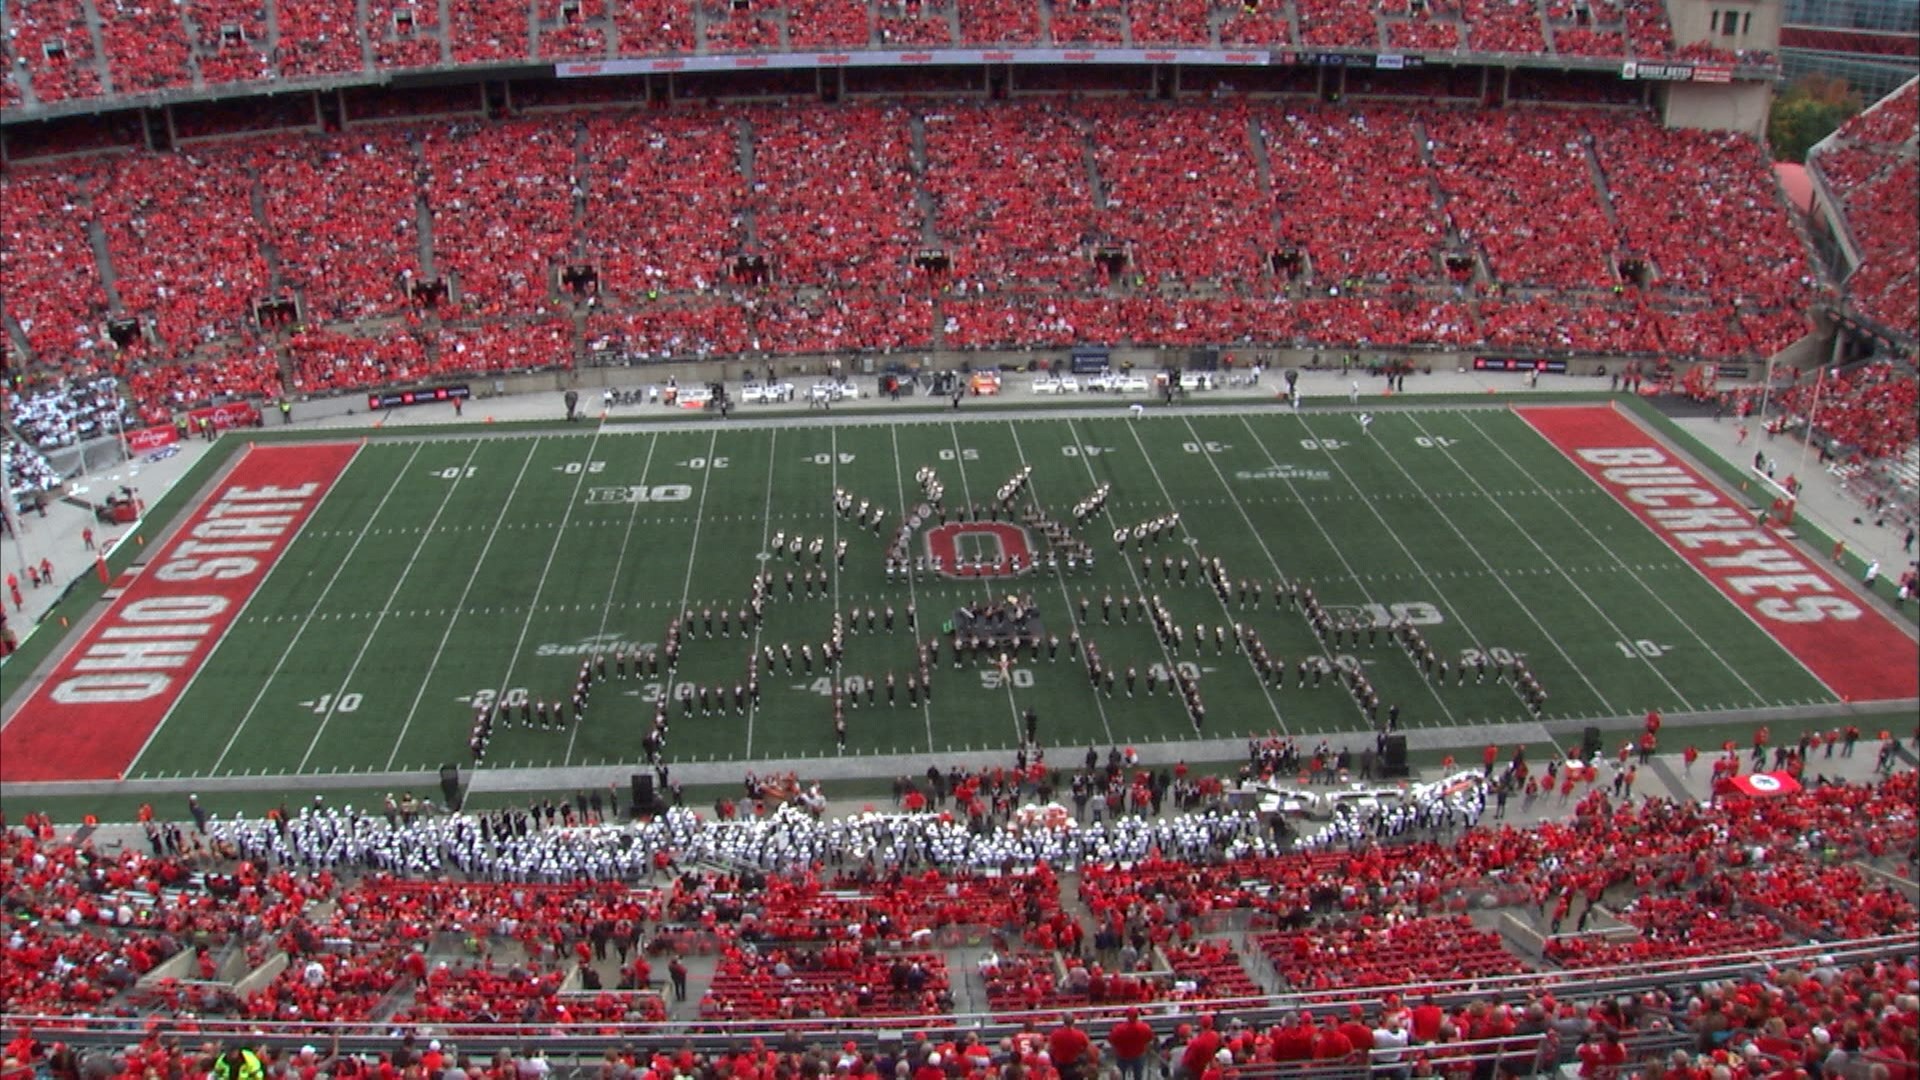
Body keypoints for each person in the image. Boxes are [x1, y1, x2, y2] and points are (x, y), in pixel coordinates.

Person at [1108, 1008, 1155, 1080]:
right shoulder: (1145, 1027)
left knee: (1120, 1076)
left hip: (1122, 1055)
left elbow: (1111, 1040)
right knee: (1138, 1076)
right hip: (1138, 1054)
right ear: (1137, 1015)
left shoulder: (1119, 1029)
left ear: (1127, 1016)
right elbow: (1150, 1039)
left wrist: (1116, 1050)